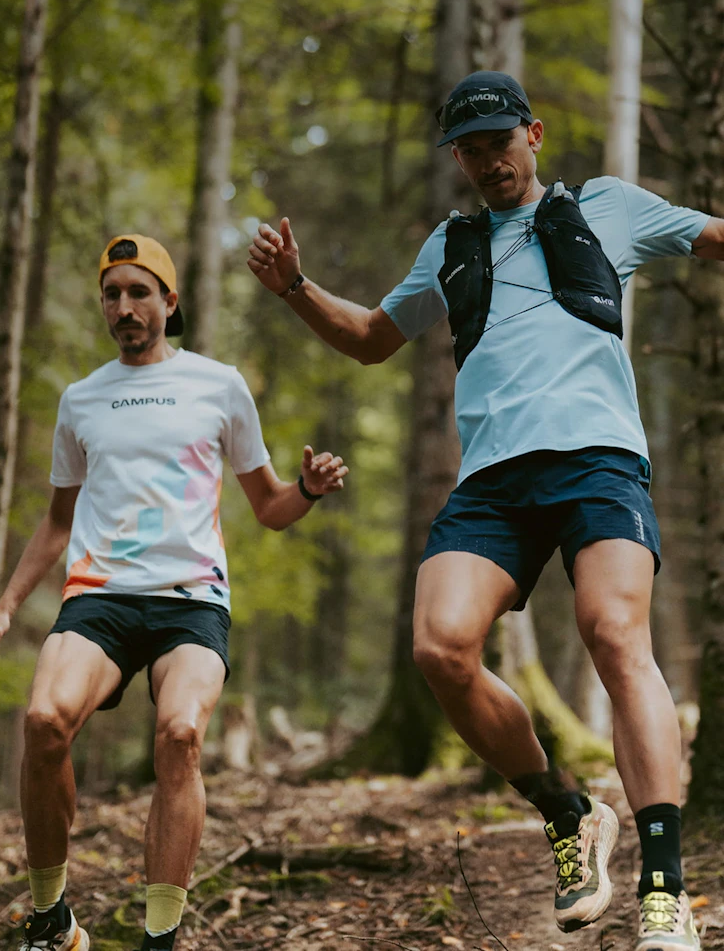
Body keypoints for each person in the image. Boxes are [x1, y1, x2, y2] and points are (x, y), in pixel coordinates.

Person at [248, 71, 724, 951]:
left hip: (598, 459)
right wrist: (294, 286)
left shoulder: (609, 206)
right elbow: (370, 340)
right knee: (440, 647)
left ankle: (665, 894)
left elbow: (712, 239)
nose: (486, 161)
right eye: (468, 149)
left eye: (498, 142)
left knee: (615, 635)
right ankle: (568, 814)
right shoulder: (451, 244)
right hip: (494, 479)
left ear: (532, 136)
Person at [0, 234, 348, 951]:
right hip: (99, 598)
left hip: (192, 603)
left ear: (169, 301)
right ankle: (52, 916)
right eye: (112, 294)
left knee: (180, 734)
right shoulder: (81, 399)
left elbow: (270, 508)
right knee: (44, 722)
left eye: (139, 291)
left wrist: (306, 490)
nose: (124, 306)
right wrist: (3, 606)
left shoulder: (219, 385)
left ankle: (160, 936)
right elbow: (57, 522)